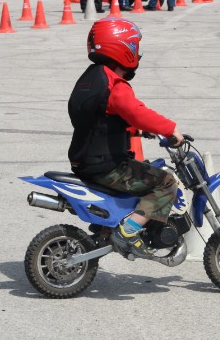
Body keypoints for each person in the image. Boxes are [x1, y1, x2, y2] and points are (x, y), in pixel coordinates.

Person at [68, 18, 184, 256]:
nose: (137, 53)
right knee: (165, 182)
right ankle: (128, 232)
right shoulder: (115, 86)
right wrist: (169, 129)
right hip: (107, 166)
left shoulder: (90, 79)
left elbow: (100, 117)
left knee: (144, 170)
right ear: (123, 48)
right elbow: (136, 112)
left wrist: (135, 129)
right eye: (134, 47)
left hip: (84, 160)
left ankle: (112, 227)